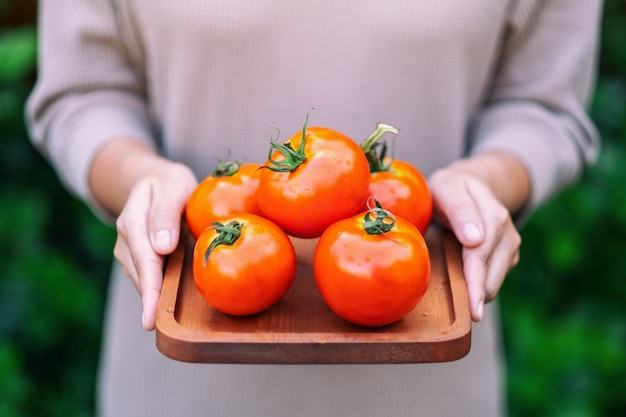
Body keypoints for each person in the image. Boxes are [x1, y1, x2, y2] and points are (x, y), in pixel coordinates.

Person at [26, 1, 602, 416]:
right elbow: (82, 92)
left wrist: (488, 181)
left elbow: (544, 105)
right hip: (179, 379)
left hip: (429, 386)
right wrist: (140, 178)